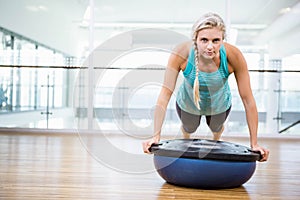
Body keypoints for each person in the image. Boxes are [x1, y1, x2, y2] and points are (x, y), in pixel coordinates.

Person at [142, 12, 269, 162]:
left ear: (222, 40)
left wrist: (254, 143)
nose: (210, 46)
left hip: (219, 105)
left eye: (216, 40)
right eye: (204, 40)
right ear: (195, 39)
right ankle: (186, 136)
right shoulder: (181, 53)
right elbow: (165, 94)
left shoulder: (233, 55)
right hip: (188, 103)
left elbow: (248, 100)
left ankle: (216, 136)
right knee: (190, 128)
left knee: (216, 128)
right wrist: (156, 136)